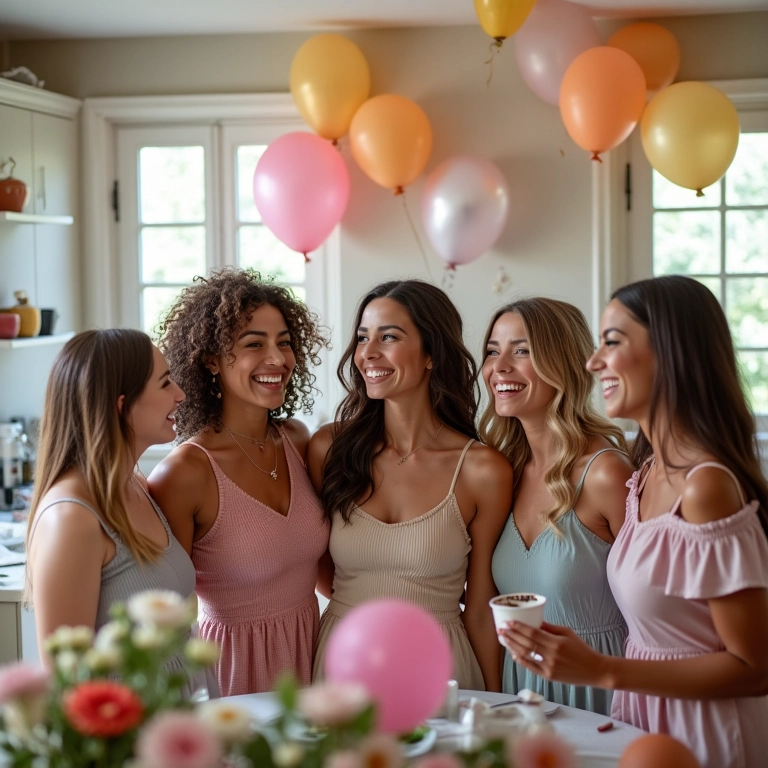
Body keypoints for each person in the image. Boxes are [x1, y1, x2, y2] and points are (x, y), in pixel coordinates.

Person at [500, 276, 768, 768]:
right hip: (640, 721)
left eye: (613, 343)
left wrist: (603, 670)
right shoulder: (643, 475)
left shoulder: (706, 487)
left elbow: (756, 668)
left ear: (670, 354)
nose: (593, 361)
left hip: (705, 733)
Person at [310, 279, 513, 691]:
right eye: (363, 338)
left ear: (431, 355)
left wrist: (497, 704)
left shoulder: (481, 470)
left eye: (389, 337)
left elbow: (478, 608)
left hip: (439, 667)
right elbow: (318, 568)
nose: (367, 354)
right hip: (343, 663)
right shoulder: (329, 449)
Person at [148, 268, 330, 696]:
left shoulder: (297, 440)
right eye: (254, 344)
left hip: (315, 662)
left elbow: (324, 575)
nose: (278, 359)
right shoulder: (185, 473)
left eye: (284, 342)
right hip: (233, 678)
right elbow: (167, 610)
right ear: (211, 359)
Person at [25, 329, 215, 698]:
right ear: (121, 404)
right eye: (164, 384)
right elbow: (67, 682)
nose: (180, 394)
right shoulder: (72, 519)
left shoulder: (138, 489)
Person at [481, 298, 633, 715]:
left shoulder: (606, 474)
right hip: (519, 696)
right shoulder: (502, 472)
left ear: (562, 363)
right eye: (492, 351)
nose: (500, 366)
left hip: (596, 693)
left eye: (522, 350)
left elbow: (656, 612)